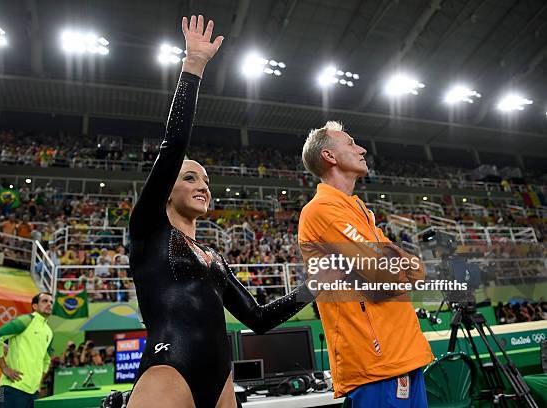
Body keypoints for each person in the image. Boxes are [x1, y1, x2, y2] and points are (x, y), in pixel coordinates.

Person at [125, 15, 312, 408]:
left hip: (221, 379)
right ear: (165, 190)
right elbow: (173, 146)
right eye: (191, 178)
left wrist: (312, 288)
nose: (203, 187)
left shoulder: (214, 259)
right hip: (169, 371)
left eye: (206, 182)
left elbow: (259, 319)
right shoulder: (148, 230)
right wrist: (193, 65)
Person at [298, 121, 433, 407]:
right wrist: (396, 265)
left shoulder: (360, 212)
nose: (361, 149)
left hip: (403, 354)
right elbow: (387, 275)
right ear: (330, 157)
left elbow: (417, 271)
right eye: (350, 143)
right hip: (376, 362)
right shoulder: (322, 210)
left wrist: (396, 266)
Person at [0, 292, 54, 408]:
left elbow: (47, 360)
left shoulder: (49, 331)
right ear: (34, 306)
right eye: (45, 301)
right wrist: (4, 368)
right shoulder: (26, 320)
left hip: (33, 392)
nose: (49, 304)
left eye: (51, 302)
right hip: (13, 388)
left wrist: (38, 382)